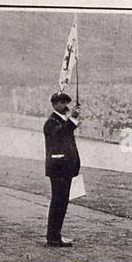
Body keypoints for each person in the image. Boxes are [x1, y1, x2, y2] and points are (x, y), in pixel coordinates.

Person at [43, 92, 80, 247]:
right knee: (58, 202)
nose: (66, 106)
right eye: (63, 103)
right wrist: (73, 119)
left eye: (66, 102)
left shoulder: (61, 121)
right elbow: (61, 133)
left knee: (61, 203)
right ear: (55, 104)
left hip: (64, 168)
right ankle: (53, 237)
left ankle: (55, 236)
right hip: (59, 168)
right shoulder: (51, 123)